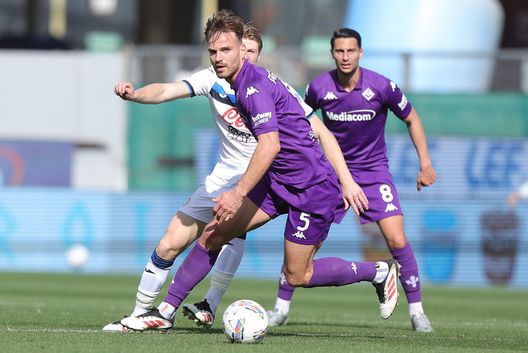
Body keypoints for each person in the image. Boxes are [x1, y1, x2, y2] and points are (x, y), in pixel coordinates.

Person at [118, 10, 400, 332]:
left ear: (243, 50)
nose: (218, 58)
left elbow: (270, 145)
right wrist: (136, 94)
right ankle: (164, 313)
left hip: (312, 189)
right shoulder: (231, 81)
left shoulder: (254, 88)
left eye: (226, 50)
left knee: (298, 275)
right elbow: (169, 91)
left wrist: (238, 193)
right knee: (215, 233)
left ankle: (377, 272)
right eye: (213, 51)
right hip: (277, 180)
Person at [266, 28, 437, 333]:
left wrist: (425, 163)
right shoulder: (318, 88)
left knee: (396, 238)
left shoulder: (383, 87)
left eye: (351, 51)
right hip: (331, 176)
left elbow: (412, 118)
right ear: (332, 54)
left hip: (373, 174)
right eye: (340, 51)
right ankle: (280, 308)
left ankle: (417, 312)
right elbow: (299, 123)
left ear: (360, 53)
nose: (345, 57)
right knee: (305, 246)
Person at [103, 24, 264, 332]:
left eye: (251, 51)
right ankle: (140, 314)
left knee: (226, 235)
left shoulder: (270, 88)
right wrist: (136, 94)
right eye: (238, 49)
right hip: (219, 179)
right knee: (168, 244)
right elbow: (165, 90)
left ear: (256, 55)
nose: (243, 55)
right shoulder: (212, 79)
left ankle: (210, 302)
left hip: (254, 182)